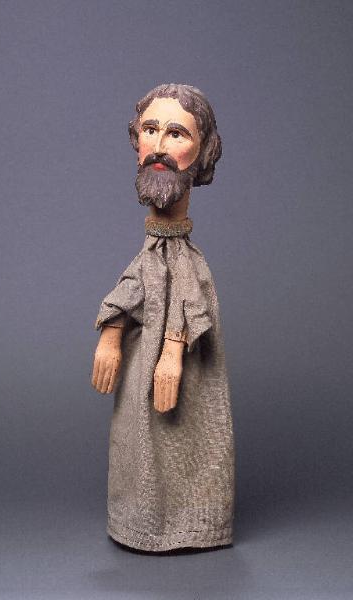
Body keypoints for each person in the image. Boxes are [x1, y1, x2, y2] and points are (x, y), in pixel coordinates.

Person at [91, 83, 235, 552]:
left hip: (180, 365)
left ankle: (191, 523)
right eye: (150, 130)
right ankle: (142, 519)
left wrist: (173, 351)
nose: (159, 145)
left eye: (177, 133)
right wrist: (111, 334)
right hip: (142, 371)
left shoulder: (188, 260)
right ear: (137, 141)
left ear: (202, 151)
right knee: (140, 437)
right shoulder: (151, 250)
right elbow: (137, 285)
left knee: (186, 441)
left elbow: (189, 294)